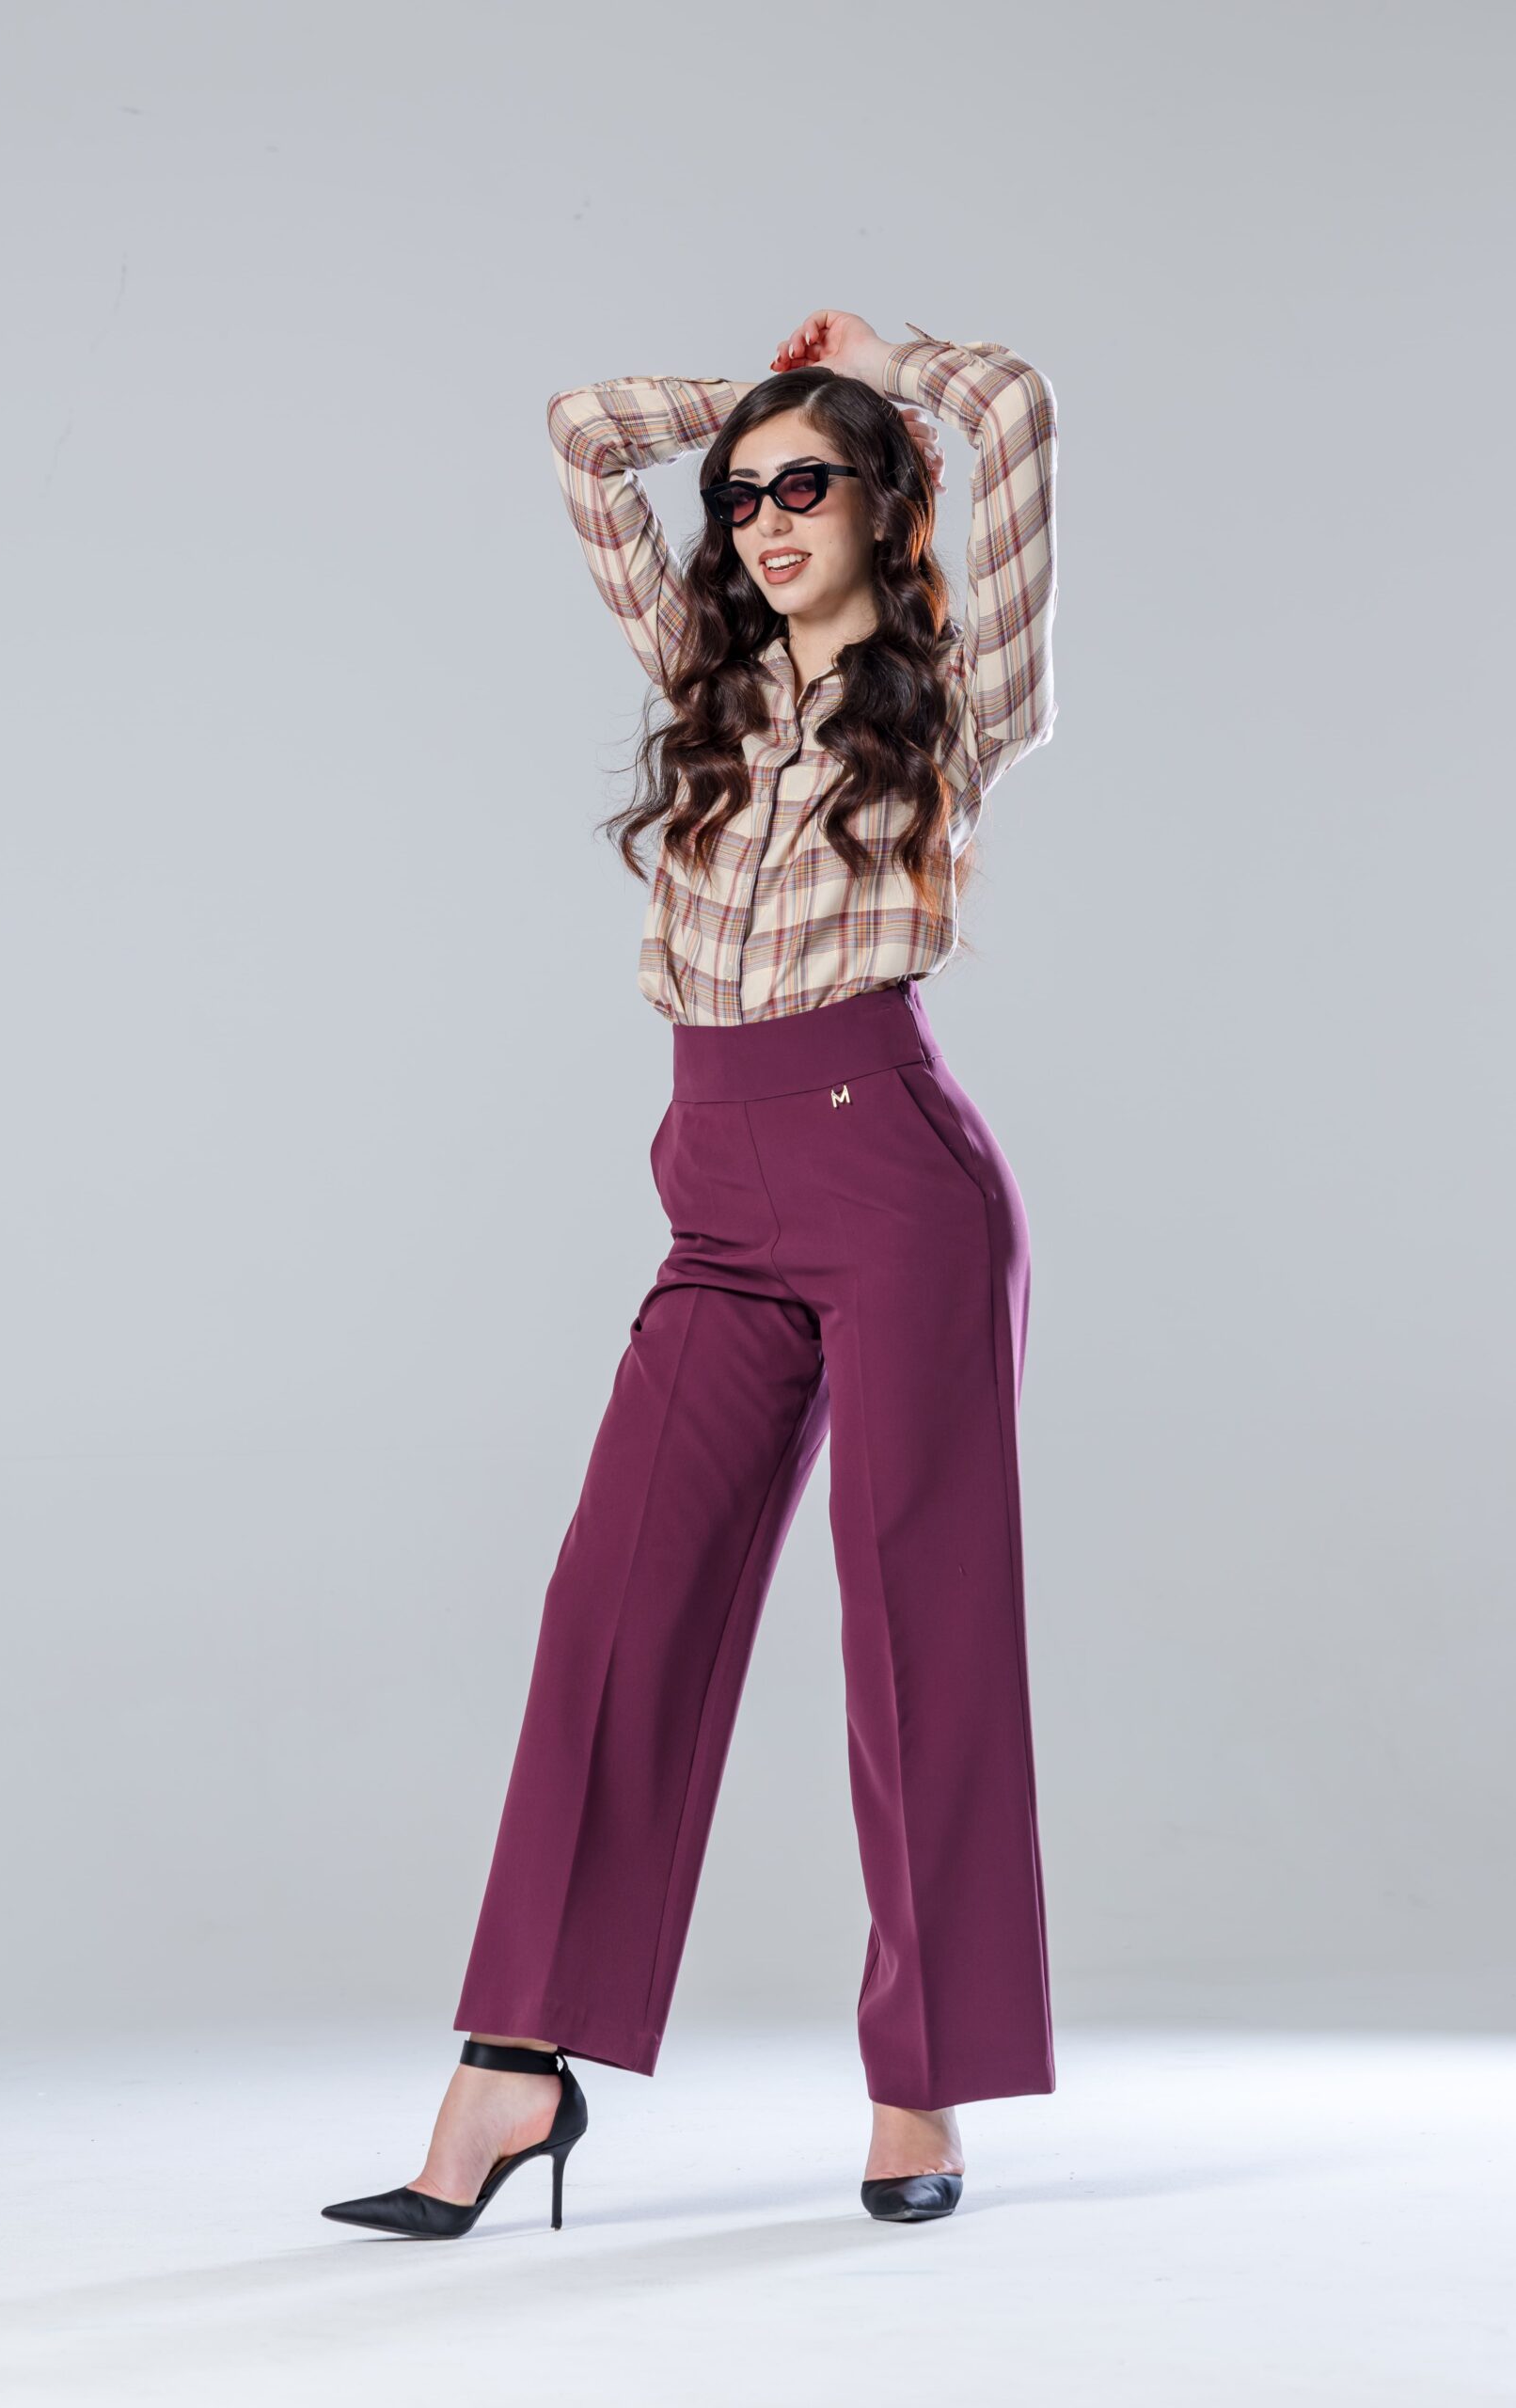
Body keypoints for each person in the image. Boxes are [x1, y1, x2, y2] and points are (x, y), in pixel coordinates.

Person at [323, 306, 1060, 2239]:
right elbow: (583, 432)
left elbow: (1010, 406)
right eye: (738, 494)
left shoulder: (961, 683)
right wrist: (748, 392)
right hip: (714, 1191)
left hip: (891, 1169)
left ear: (880, 497)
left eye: (803, 484)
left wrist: (875, 363)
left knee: (915, 1632)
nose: (760, 519)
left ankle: (920, 2086)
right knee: (614, 1599)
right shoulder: (705, 677)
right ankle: (514, 2065)